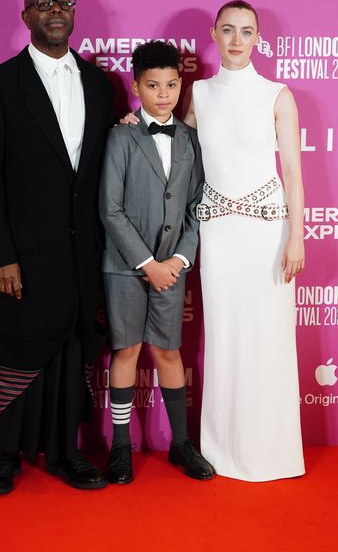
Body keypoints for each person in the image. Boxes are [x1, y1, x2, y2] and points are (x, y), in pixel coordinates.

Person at [0, 0, 115, 494]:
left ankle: (68, 453)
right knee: (16, 347)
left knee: (71, 350)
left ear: (73, 14)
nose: (56, 11)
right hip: (21, 254)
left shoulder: (99, 86)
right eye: (43, 4)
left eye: (63, 3)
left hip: (80, 253)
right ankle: (6, 457)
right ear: (27, 17)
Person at [183, 0, 305, 481]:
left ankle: (272, 453)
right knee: (225, 337)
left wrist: (296, 238)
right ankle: (223, 449)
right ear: (213, 33)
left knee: (269, 337)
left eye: (246, 31)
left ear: (258, 38)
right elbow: (175, 142)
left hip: (267, 234)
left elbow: (293, 175)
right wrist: (135, 124)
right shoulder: (199, 93)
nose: (236, 40)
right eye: (228, 30)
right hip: (218, 236)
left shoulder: (278, 94)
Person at [99, 41, 213, 484]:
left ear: (180, 84)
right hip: (125, 266)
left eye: (170, 85)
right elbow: (110, 209)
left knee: (169, 351)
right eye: (152, 86)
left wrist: (180, 258)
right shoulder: (120, 136)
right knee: (126, 350)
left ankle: (180, 443)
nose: (163, 94)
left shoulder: (190, 141)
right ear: (135, 87)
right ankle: (121, 446)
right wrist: (148, 263)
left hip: (173, 267)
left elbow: (197, 205)